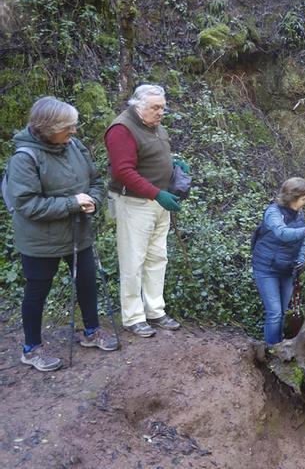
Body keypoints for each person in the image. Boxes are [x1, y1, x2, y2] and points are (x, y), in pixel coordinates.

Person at [7, 97, 118, 371]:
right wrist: (73, 203)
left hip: (77, 231)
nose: (74, 131)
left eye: (74, 125)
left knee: (87, 281)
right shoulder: (25, 158)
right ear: (47, 128)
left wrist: (92, 200)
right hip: (40, 240)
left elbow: (95, 181)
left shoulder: (73, 145)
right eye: (68, 127)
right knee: (37, 290)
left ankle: (91, 331)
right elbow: (26, 204)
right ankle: (31, 348)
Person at [105, 84, 187, 337]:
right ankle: (133, 316)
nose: (161, 112)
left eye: (163, 107)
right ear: (138, 106)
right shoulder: (122, 129)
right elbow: (123, 171)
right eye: (155, 107)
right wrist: (157, 193)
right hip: (134, 203)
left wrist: (172, 165)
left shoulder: (154, 124)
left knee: (157, 257)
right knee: (133, 260)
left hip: (157, 203)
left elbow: (149, 155)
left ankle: (155, 310)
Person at [252, 177, 305, 345]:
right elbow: (282, 234)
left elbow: (302, 240)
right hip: (266, 268)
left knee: (283, 311)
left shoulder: (299, 214)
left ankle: (278, 346)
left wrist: (299, 260)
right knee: (275, 312)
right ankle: (271, 349)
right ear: (293, 197)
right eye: (304, 198)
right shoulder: (273, 212)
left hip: (287, 270)